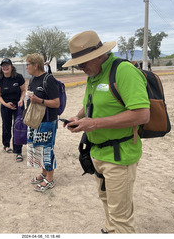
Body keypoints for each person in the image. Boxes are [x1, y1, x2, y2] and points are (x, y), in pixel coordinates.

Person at [62, 30, 150, 233]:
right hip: (97, 152)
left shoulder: (123, 71)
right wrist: (79, 117)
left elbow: (141, 115)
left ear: (98, 55)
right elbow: (92, 103)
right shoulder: (94, 73)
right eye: (77, 64)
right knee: (107, 200)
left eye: (83, 63)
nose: (80, 68)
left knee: (121, 217)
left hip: (119, 156)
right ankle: (109, 229)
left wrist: (94, 124)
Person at [26, 53, 60, 192]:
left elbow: (56, 103)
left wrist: (39, 100)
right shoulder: (33, 80)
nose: (26, 67)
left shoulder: (48, 79)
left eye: (28, 64)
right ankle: (44, 173)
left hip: (47, 121)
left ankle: (50, 179)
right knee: (39, 148)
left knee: (47, 149)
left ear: (35, 65)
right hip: (35, 121)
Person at [0, 58, 26, 162]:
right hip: (5, 105)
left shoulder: (18, 77)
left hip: (18, 105)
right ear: (1, 68)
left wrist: (21, 100)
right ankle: (6, 145)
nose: (5, 67)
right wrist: (6, 104)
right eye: (3, 65)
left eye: (7, 65)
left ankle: (18, 151)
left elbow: (23, 90)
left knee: (18, 127)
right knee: (6, 126)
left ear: (11, 67)